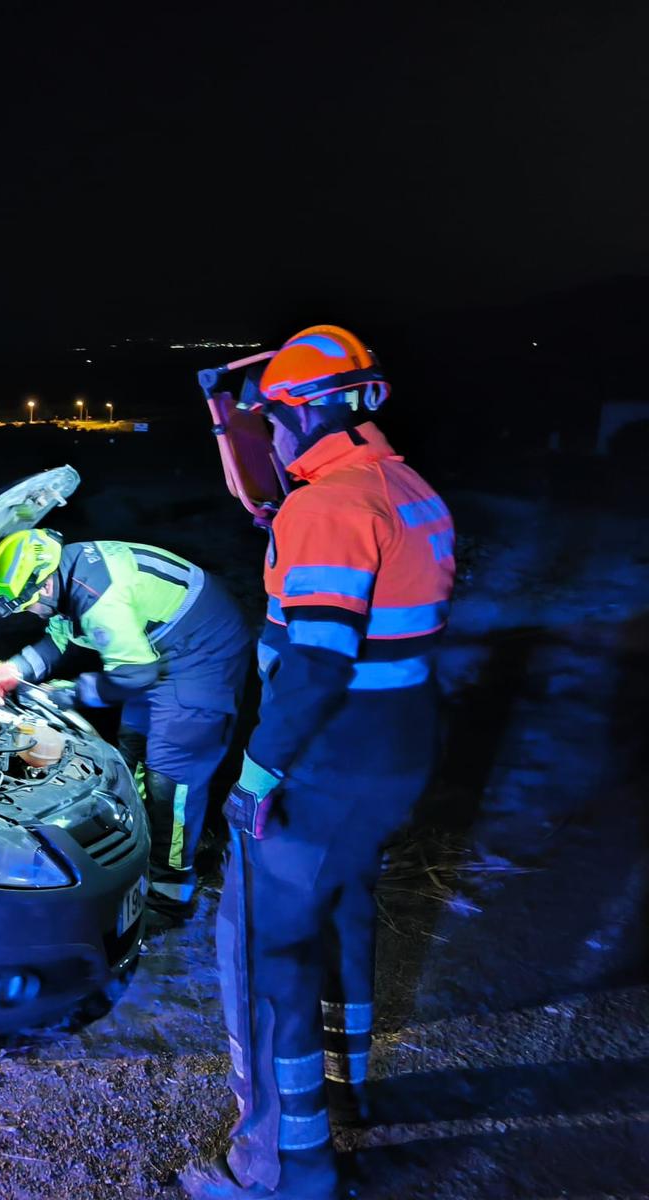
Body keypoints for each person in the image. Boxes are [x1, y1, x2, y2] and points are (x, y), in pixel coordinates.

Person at [180, 326, 456, 1199]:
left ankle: (278, 1166)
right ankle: (348, 1089)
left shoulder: (329, 509)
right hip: (394, 750)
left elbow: (320, 657)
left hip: (325, 763)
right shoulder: (403, 487)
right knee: (343, 915)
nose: (266, 435)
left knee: (265, 949)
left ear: (303, 415)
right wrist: (230, 417)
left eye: (271, 420)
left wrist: (260, 770)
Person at [0, 530, 253, 931]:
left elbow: (134, 674)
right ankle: (136, 856)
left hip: (203, 651)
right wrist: (15, 669)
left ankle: (171, 894)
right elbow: (64, 638)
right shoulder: (67, 574)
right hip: (157, 647)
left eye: (29, 604)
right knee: (133, 748)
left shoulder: (99, 597)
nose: (29, 613)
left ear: (46, 582)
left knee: (170, 779)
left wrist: (70, 694)